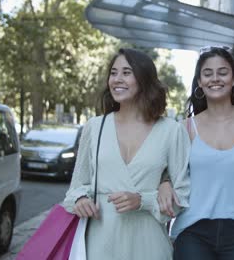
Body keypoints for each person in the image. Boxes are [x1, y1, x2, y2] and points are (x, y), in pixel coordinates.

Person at [62, 48, 190, 260]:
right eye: (113, 73)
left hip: (150, 246)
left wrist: (143, 201)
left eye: (126, 72)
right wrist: (81, 199)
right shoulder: (94, 127)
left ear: (144, 79)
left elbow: (183, 197)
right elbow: (75, 188)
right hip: (99, 245)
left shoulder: (172, 131)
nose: (117, 79)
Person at [158, 46, 234, 260]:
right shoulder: (185, 128)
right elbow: (169, 172)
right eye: (207, 74)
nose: (215, 78)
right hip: (193, 231)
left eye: (223, 72)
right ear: (199, 82)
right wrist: (164, 182)